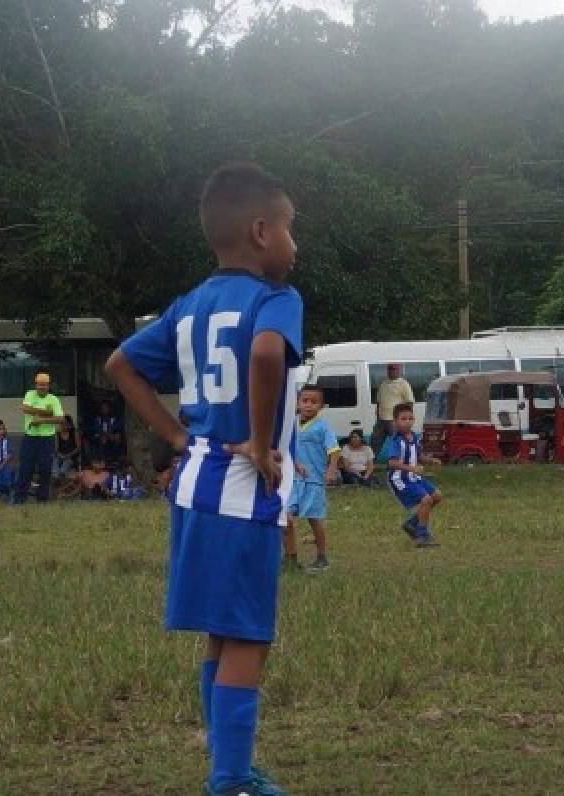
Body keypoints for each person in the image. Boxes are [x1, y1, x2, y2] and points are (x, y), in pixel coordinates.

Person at [106, 162, 301, 796]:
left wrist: (174, 436)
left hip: (195, 482)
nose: (296, 245)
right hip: (244, 487)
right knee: (249, 633)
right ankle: (232, 780)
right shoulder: (276, 300)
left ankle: (229, 764)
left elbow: (121, 364)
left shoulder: (188, 306)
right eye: (292, 229)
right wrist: (265, 441)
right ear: (262, 230)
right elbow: (268, 353)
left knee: (223, 631)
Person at [283, 386, 339, 574]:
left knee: (314, 520)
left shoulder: (322, 428)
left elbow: (334, 450)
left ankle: (322, 557)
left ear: (321, 406)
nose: (308, 405)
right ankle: (290, 559)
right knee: (286, 518)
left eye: (313, 402)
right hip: (292, 481)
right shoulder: (292, 425)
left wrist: (331, 470)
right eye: (305, 401)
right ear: (298, 403)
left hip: (313, 481)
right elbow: (287, 448)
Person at [386, 402, 443, 549]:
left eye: (410, 418)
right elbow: (392, 463)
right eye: (403, 419)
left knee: (436, 496)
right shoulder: (396, 441)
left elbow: (418, 456)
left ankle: (412, 524)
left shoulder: (415, 437)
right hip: (400, 478)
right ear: (395, 421)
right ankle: (421, 536)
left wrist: (430, 460)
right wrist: (412, 468)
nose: (407, 422)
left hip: (413, 477)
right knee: (426, 500)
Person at [16, 372, 63, 503]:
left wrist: (42, 420)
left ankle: (42, 500)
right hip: (30, 437)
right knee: (25, 468)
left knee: (45, 469)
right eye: (39, 384)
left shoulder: (53, 399)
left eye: (45, 385)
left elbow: (60, 418)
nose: (42, 387)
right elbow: (25, 408)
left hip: (47, 439)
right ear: (35, 385)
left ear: (49, 386)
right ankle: (20, 499)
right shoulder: (30, 394)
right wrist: (47, 412)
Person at [371, 363, 414, 461]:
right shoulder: (383, 383)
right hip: (381, 420)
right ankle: (370, 463)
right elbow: (379, 402)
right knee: (375, 441)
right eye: (390, 370)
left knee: (396, 442)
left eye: (394, 370)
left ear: (398, 371)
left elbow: (409, 402)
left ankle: (400, 462)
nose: (392, 371)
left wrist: (405, 419)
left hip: (394, 420)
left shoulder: (403, 383)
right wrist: (377, 416)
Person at [89, 399, 125, 465]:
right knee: (102, 441)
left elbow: (118, 432)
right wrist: (100, 436)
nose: (104, 410)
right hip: (100, 441)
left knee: (117, 439)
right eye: (102, 408)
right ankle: (102, 461)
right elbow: (93, 433)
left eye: (106, 408)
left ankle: (115, 461)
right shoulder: (97, 420)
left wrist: (112, 436)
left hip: (112, 441)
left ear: (110, 408)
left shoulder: (115, 419)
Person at [54, 414, 82, 479]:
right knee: (54, 459)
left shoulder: (74, 433)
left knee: (66, 462)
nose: (63, 426)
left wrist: (68, 455)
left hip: (71, 456)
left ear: (69, 425)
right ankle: (56, 476)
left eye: (65, 424)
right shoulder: (57, 434)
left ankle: (61, 474)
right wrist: (60, 455)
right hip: (61, 456)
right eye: (62, 424)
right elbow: (56, 449)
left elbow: (78, 448)